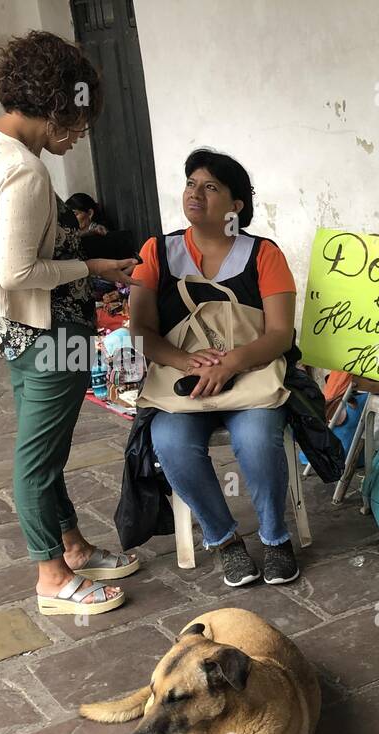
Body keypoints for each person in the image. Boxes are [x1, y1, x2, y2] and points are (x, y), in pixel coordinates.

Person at [0, 31, 139, 617]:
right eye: (79, 121)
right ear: (57, 108)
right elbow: (18, 268)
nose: (82, 133)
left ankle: (72, 547)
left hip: (6, 325)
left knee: (45, 450)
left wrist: (80, 244)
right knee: (38, 459)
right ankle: (51, 577)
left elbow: (6, 245)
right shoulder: (26, 172)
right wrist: (94, 264)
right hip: (48, 333)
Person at [126, 148, 303, 587]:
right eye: (191, 184)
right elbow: (140, 330)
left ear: (236, 206)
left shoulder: (264, 254)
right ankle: (225, 542)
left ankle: (276, 538)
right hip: (182, 379)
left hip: (251, 373)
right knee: (169, 441)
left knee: (259, 438)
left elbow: (281, 334)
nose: (195, 194)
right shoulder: (157, 251)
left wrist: (231, 363)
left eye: (210, 187)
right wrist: (185, 359)